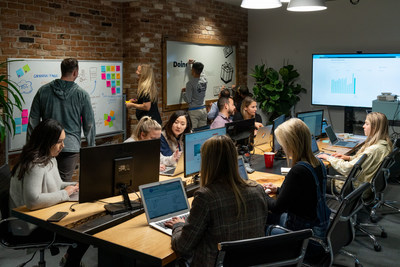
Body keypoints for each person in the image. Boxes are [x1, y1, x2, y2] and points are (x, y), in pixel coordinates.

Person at [165, 135, 268, 266]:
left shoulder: (206, 197)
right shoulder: (257, 189)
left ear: (206, 162)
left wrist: (178, 225)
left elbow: (183, 246)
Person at [10, 119, 88, 267]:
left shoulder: (49, 159)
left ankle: (70, 260)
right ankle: (71, 262)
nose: (63, 146)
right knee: (85, 229)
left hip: (42, 217)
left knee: (86, 223)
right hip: (30, 225)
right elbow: (32, 201)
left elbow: (58, 185)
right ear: (47, 141)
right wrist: (65, 193)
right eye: (59, 141)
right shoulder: (35, 164)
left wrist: (74, 186)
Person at [264, 118, 330, 260]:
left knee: (261, 225)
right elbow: (303, 194)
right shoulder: (318, 163)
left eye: (283, 143)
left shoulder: (297, 171)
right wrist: (278, 190)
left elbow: (276, 207)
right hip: (319, 231)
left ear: (291, 144)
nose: (282, 147)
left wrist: (259, 193)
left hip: (305, 240)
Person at [28, 58, 95, 182]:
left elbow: (33, 122)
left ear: (62, 70)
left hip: (47, 146)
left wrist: (32, 148)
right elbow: (89, 124)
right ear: (75, 72)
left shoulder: (43, 91)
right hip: (70, 147)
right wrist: (91, 148)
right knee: (63, 183)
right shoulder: (82, 94)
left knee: (45, 183)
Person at [318, 112, 392, 193]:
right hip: (367, 185)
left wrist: (328, 157)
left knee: (315, 180)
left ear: (375, 128)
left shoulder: (373, 150)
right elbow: (363, 161)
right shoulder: (384, 144)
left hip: (357, 187)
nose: (363, 126)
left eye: (367, 124)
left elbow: (347, 168)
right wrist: (348, 157)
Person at [181, 60, 208, 129]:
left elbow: (188, 100)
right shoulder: (205, 80)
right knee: (203, 131)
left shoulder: (190, 84)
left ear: (193, 70)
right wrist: (194, 63)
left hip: (194, 111)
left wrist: (184, 93)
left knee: (193, 133)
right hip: (203, 110)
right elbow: (202, 72)